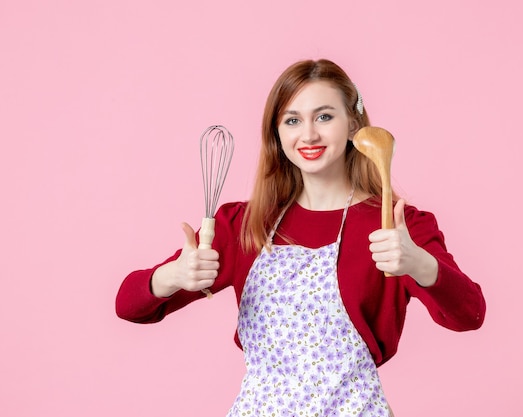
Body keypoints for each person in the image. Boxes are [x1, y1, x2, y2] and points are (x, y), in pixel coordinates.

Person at [116, 58, 486, 416]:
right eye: (293, 120)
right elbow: (128, 305)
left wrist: (420, 263)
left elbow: (469, 314)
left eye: (324, 116)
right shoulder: (243, 224)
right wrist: (172, 277)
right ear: (277, 133)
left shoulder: (398, 226)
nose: (308, 134)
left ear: (354, 124)